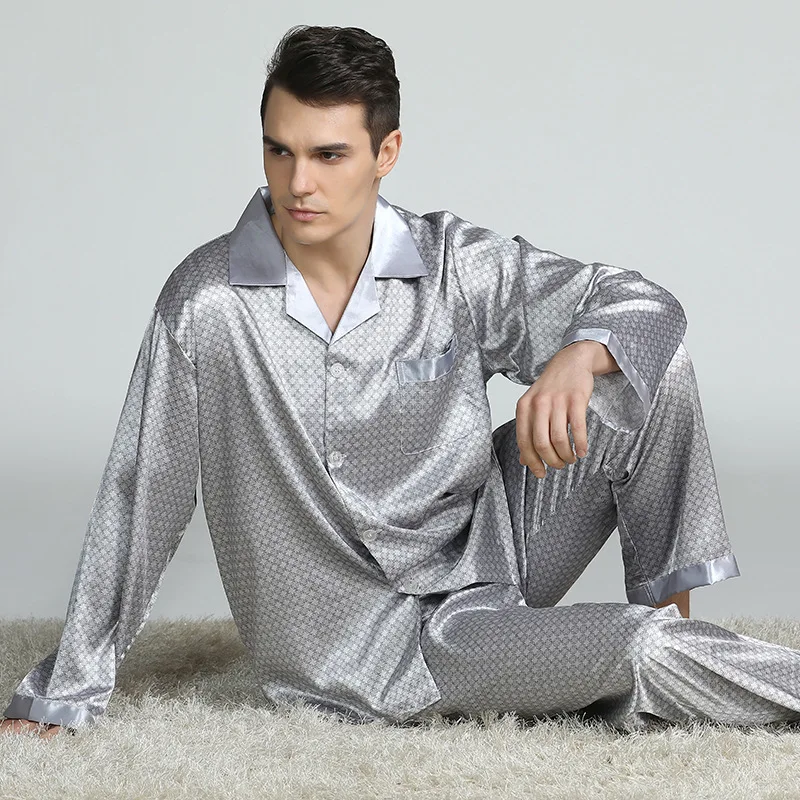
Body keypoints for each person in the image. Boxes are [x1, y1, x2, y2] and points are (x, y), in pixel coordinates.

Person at [3, 24, 799, 740]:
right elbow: (140, 495)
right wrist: (66, 691)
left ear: (386, 154)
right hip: (381, 649)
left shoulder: (452, 264)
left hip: (490, 551)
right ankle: (659, 656)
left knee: (643, 364)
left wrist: (579, 354)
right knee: (638, 646)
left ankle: (672, 647)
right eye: (279, 151)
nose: (297, 183)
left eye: (328, 155)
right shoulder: (207, 305)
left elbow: (644, 303)